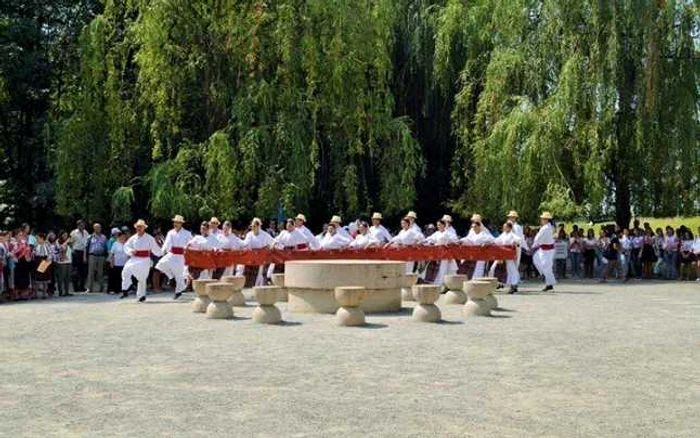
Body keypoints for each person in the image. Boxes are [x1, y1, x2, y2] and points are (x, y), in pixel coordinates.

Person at [120, 220, 162, 302]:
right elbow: (126, 246)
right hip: (134, 258)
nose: (139, 228)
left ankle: (141, 295)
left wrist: (161, 253)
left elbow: (156, 249)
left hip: (144, 259)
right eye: (138, 227)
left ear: (144, 228)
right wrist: (131, 251)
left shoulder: (149, 238)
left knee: (142, 277)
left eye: (140, 227)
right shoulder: (133, 238)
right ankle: (126, 288)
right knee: (125, 271)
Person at [153, 215, 193, 299]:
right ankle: (170, 276)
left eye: (177, 222)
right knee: (159, 265)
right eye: (174, 222)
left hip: (181, 256)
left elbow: (192, 244)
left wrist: (189, 251)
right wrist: (163, 251)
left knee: (179, 275)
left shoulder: (187, 233)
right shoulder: (170, 232)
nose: (175, 224)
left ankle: (178, 292)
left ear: (181, 224)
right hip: (172, 254)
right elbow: (166, 243)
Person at [422, 219, 458, 285]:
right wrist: (422, 242)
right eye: (437, 225)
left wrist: (448, 243)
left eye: (439, 225)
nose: (438, 226)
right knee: (437, 268)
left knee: (444, 268)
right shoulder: (437, 233)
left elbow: (455, 240)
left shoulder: (449, 233)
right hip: (437, 252)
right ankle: (438, 283)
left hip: (445, 253)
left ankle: (443, 283)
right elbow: (430, 239)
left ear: (443, 225)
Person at [460, 214, 495, 279]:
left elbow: (492, 240)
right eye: (473, 220)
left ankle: (477, 282)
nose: (473, 222)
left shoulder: (484, 231)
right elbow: (468, 238)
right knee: (464, 264)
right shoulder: (472, 230)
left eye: (475, 220)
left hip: (481, 253)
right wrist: (461, 240)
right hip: (471, 252)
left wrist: (486, 243)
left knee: (479, 268)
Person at [242, 218, 275, 287]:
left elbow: (273, 242)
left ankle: (259, 288)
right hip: (251, 257)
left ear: (258, 226)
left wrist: (269, 249)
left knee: (260, 274)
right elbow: (245, 243)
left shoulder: (265, 234)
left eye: (255, 226)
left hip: (262, 257)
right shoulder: (249, 234)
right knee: (249, 274)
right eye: (252, 226)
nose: (253, 228)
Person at [493, 222, 521, 293]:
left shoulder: (512, 235)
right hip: (503, 253)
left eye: (505, 227)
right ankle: (504, 283)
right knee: (501, 268)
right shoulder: (503, 234)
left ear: (509, 228)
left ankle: (514, 285)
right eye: (503, 227)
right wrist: (491, 241)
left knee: (512, 268)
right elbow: (497, 240)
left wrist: (514, 242)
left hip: (509, 254)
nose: (503, 228)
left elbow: (518, 240)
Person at [531, 211, 556, 291]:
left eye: (542, 219)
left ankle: (549, 283)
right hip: (543, 249)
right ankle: (545, 277)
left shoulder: (546, 228)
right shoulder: (548, 227)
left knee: (546, 266)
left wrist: (534, 245)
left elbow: (538, 238)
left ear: (546, 219)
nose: (541, 220)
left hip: (548, 250)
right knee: (536, 259)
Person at [85, 223, 108, 293]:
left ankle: (102, 287)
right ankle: (89, 288)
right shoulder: (90, 237)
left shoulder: (104, 237)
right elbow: (86, 247)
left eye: (99, 227)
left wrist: (106, 257)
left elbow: (106, 248)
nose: (98, 229)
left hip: (101, 256)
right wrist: (85, 257)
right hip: (92, 256)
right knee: (91, 272)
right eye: (97, 227)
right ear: (94, 228)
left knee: (100, 273)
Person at [12, 231, 33, 299]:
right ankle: (17, 295)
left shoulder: (25, 243)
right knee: (17, 279)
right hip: (17, 263)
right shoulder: (13, 244)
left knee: (24, 278)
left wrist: (27, 255)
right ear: (16, 236)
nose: (21, 236)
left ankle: (23, 294)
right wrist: (15, 258)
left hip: (24, 263)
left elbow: (28, 252)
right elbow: (12, 253)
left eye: (21, 235)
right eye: (19, 235)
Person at [69, 220, 89, 292]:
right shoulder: (73, 232)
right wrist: (72, 251)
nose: (82, 226)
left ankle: (82, 286)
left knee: (83, 271)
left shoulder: (86, 232)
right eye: (81, 225)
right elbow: (71, 243)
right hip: (76, 252)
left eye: (83, 225)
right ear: (77, 225)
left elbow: (87, 243)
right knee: (76, 270)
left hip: (84, 252)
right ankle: (75, 287)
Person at [107, 229, 128, 294]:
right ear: (119, 237)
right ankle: (112, 290)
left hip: (124, 264)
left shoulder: (127, 244)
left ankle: (122, 289)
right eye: (122, 236)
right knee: (114, 277)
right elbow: (112, 254)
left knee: (123, 277)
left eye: (124, 236)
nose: (123, 238)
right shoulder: (115, 244)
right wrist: (111, 262)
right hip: (116, 263)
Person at [33, 233, 52, 299]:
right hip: (38, 261)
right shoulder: (36, 245)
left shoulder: (46, 245)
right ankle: (35, 294)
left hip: (45, 260)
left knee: (45, 278)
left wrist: (48, 258)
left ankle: (44, 294)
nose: (37, 240)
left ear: (42, 238)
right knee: (38, 278)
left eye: (38, 238)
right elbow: (34, 253)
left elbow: (50, 253)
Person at [54, 231, 73, 296]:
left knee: (67, 277)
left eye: (66, 235)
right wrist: (66, 242)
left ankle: (67, 291)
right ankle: (60, 292)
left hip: (69, 261)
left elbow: (71, 250)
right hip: (62, 262)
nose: (65, 236)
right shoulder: (58, 241)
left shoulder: (69, 242)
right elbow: (59, 249)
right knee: (61, 277)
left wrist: (70, 243)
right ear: (61, 235)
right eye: (64, 235)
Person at [150, 225, 166, 292]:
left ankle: (159, 286)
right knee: (156, 272)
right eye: (157, 230)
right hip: (155, 256)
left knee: (160, 272)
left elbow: (164, 245)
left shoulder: (161, 237)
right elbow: (158, 246)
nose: (159, 231)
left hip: (161, 256)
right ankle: (156, 288)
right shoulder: (153, 238)